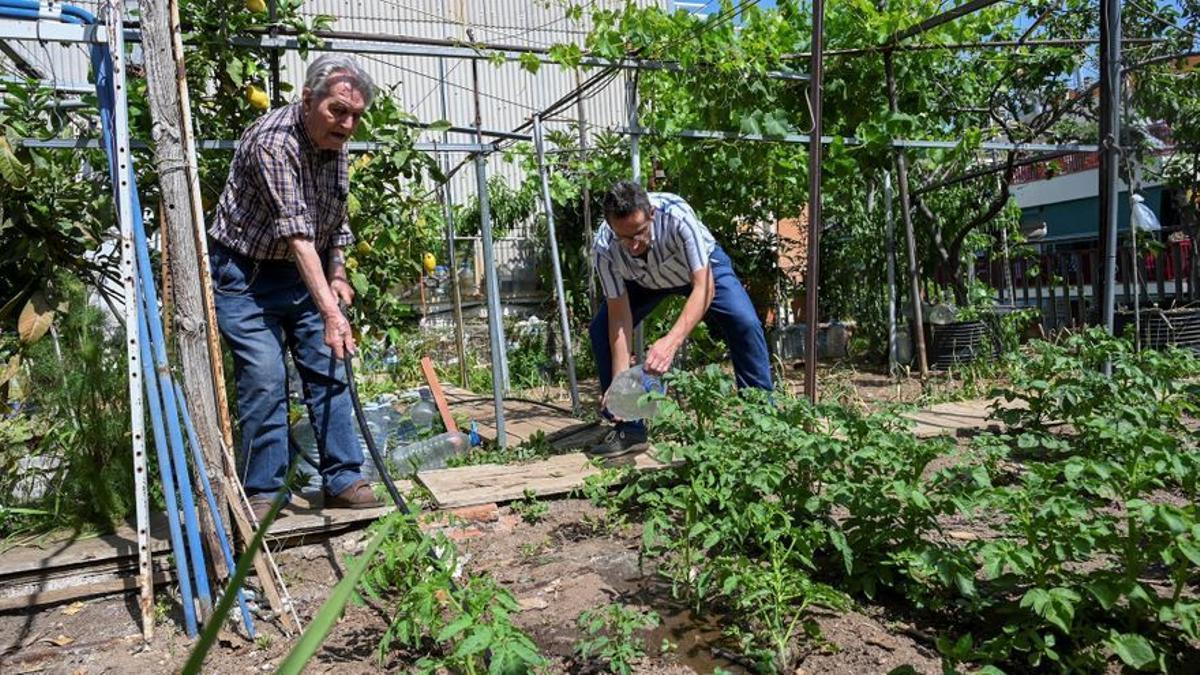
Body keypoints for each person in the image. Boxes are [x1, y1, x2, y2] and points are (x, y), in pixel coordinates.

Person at [208, 54, 381, 520]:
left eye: (355, 116)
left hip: (304, 272)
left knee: (329, 368)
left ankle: (343, 480)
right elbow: (299, 233)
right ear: (308, 100)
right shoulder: (273, 142)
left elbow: (333, 221)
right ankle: (263, 490)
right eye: (338, 111)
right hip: (246, 275)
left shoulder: (335, 145)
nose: (347, 124)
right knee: (266, 378)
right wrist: (330, 311)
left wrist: (338, 273)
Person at [589, 180, 774, 457]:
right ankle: (630, 427)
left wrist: (670, 342)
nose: (634, 245)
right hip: (643, 281)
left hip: (699, 271)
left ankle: (763, 422)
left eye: (640, 232)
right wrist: (620, 386)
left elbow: (704, 287)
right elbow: (619, 318)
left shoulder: (677, 214)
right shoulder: (605, 246)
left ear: (651, 213)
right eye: (624, 238)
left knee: (744, 323)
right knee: (600, 330)